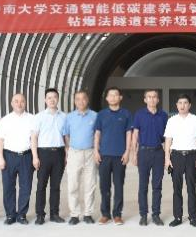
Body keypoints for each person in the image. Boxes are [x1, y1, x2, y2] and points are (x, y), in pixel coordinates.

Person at [163, 94, 196, 227]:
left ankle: (193, 217)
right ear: (176, 105)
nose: (182, 105)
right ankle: (178, 217)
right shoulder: (172, 121)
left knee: (191, 188)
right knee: (177, 188)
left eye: (185, 103)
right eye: (180, 103)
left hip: (192, 156)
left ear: (189, 105)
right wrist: (167, 159)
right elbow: (168, 140)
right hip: (176, 156)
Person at [94, 87, 133, 225]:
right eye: (110, 95)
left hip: (119, 156)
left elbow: (129, 133)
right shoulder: (101, 114)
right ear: (107, 98)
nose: (113, 97)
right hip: (104, 155)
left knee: (119, 186)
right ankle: (105, 214)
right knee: (104, 186)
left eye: (116, 95)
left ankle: (117, 214)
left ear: (120, 97)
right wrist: (96, 150)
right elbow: (97, 133)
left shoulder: (126, 114)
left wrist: (127, 151)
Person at [0, 93, 35, 225]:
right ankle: (10, 215)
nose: (19, 104)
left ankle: (22, 214)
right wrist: (0, 158)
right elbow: (0, 141)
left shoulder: (32, 119)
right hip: (9, 156)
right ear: (12, 103)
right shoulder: (5, 120)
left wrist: (35, 157)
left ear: (25, 103)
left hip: (26, 156)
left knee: (26, 187)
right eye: (16, 101)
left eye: (22, 101)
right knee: (8, 187)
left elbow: (33, 139)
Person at [131, 89, 169, 226]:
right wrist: (134, 153)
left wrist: (167, 156)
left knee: (157, 186)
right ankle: (143, 215)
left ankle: (156, 214)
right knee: (143, 186)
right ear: (145, 99)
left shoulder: (163, 115)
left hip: (159, 153)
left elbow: (167, 137)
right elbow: (135, 134)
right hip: (143, 152)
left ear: (158, 100)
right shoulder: (139, 114)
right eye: (149, 97)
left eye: (154, 97)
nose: (152, 99)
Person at [31, 88, 67, 225]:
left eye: (54, 97)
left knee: (56, 186)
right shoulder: (39, 117)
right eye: (49, 97)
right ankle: (40, 215)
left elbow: (66, 137)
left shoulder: (64, 117)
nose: (52, 100)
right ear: (45, 100)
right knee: (41, 185)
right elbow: (34, 137)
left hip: (59, 153)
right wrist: (35, 157)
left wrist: (67, 154)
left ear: (58, 99)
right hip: (43, 153)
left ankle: (54, 214)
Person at [62, 90, 98, 225]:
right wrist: (68, 149)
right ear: (74, 101)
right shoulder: (69, 117)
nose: (81, 101)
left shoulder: (95, 116)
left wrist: (96, 150)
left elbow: (98, 134)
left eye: (83, 98)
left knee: (90, 185)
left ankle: (88, 214)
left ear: (87, 100)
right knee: (73, 185)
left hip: (90, 153)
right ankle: (75, 214)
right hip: (74, 153)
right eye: (77, 99)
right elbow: (66, 135)